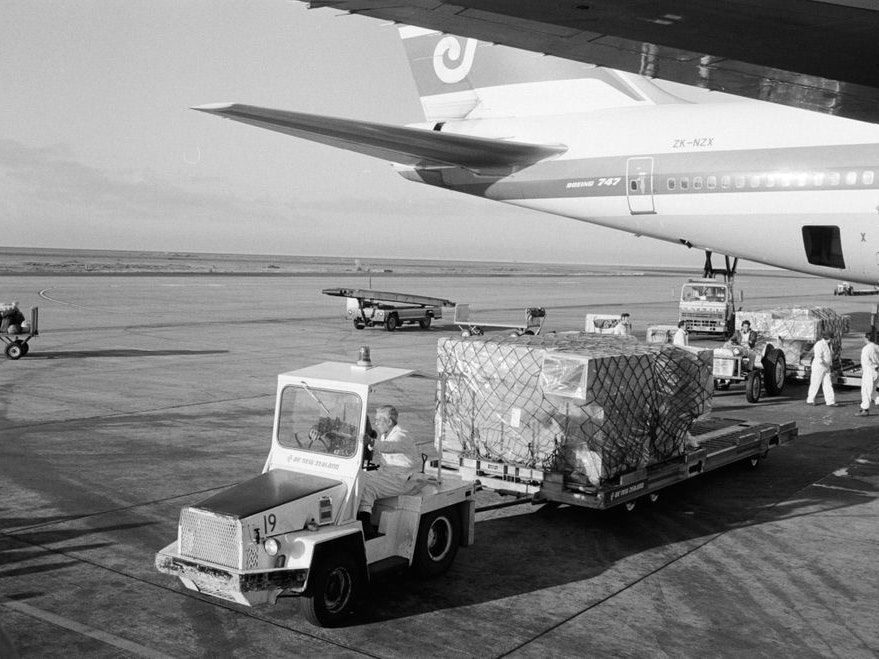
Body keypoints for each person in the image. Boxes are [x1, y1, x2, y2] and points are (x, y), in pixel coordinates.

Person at [357, 405, 421, 533]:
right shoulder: (385, 435)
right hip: (387, 473)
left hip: (402, 479)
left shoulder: (401, 435)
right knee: (359, 478)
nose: (376, 424)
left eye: (378, 420)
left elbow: (390, 446)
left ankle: (365, 525)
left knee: (367, 486)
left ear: (389, 422)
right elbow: (382, 446)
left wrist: (371, 442)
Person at [806, 330, 838, 406]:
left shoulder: (828, 344)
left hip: (826, 367)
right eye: (831, 338)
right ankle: (810, 399)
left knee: (828, 384)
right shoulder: (819, 344)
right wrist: (825, 364)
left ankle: (830, 401)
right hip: (819, 367)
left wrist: (829, 365)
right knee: (815, 383)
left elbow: (828, 356)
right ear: (829, 338)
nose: (832, 340)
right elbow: (818, 357)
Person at [857, 332, 879, 416]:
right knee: (873, 391)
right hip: (876, 371)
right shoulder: (876, 347)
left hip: (869, 371)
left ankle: (865, 409)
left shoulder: (867, 348)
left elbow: (869, 360)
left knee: (866, 391)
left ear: (867, 338)